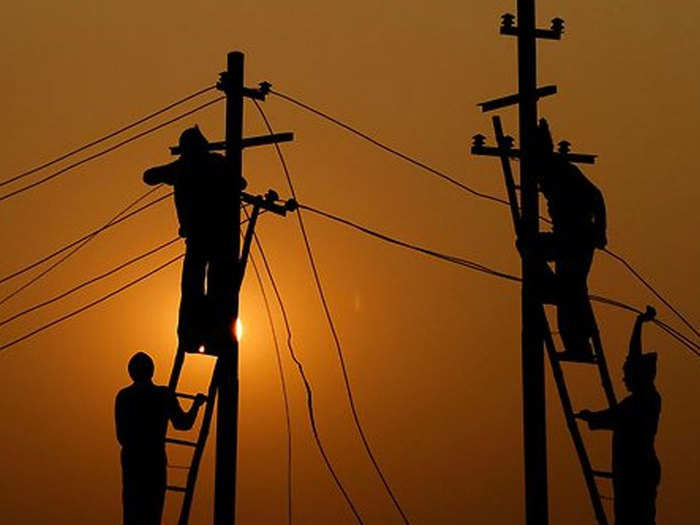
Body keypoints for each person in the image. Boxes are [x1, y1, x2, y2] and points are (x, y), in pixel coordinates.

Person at [142, 126, 238, 353]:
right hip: (218, 238)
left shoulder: (185, 166)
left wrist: (181, 168)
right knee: (214, 286)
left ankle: (195, 335)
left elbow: (149, 176)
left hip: (202, 237)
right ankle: (213, 335)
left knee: (195, 287)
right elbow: (240, 183)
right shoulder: (214, 163)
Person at [578, 306, 661, 525]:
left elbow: (617, 417)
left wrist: (592, 417)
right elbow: (616, 416)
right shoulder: (639, 400)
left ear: (639, 375)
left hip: (637, 471)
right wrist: (638, 324)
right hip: (631, 470)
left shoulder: (646, 400)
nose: (624, 380)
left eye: (627, 375)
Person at [533, 118, 607, 361]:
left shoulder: (563, 169)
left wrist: (600, 231)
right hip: (564, 238)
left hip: (578, 239)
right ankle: (577, 341)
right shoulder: (541, 170)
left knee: (570, 287)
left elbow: (596, 196)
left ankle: (579, 343)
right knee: (570, 288)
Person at [115, 352, 206, 525]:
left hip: (132, 461)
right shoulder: (163, 394)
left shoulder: (124, 396)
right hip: (153, 461)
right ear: (151, 371)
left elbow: (121, 437)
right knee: (153, 513)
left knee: (132, 514)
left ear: (131, 372)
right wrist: (196, 404)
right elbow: (183, 424)